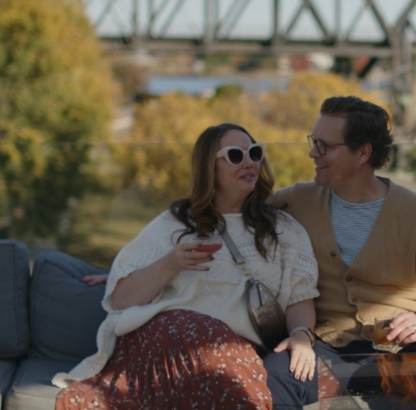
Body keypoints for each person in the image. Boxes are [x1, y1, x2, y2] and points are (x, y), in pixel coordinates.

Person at [54, 123, 321, 410]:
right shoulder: (175, 224)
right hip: (168, 341)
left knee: (220, 357)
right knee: (207, 342)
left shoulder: (283, 230)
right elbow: (120, 300)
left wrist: (301, 335)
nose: (249, 163)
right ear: (209, 168)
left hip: (232, 352)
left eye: (254, 153)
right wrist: (171, 264)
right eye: (235, 155)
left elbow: (299, 296)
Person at [264, 96, 416, 409]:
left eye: (325, 146)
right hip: (324, 352)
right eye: (314, 142)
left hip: (400, 354)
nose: (313, 153)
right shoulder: (293, 202)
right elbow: (237, 220)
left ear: (363, 152)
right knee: (272, 376)